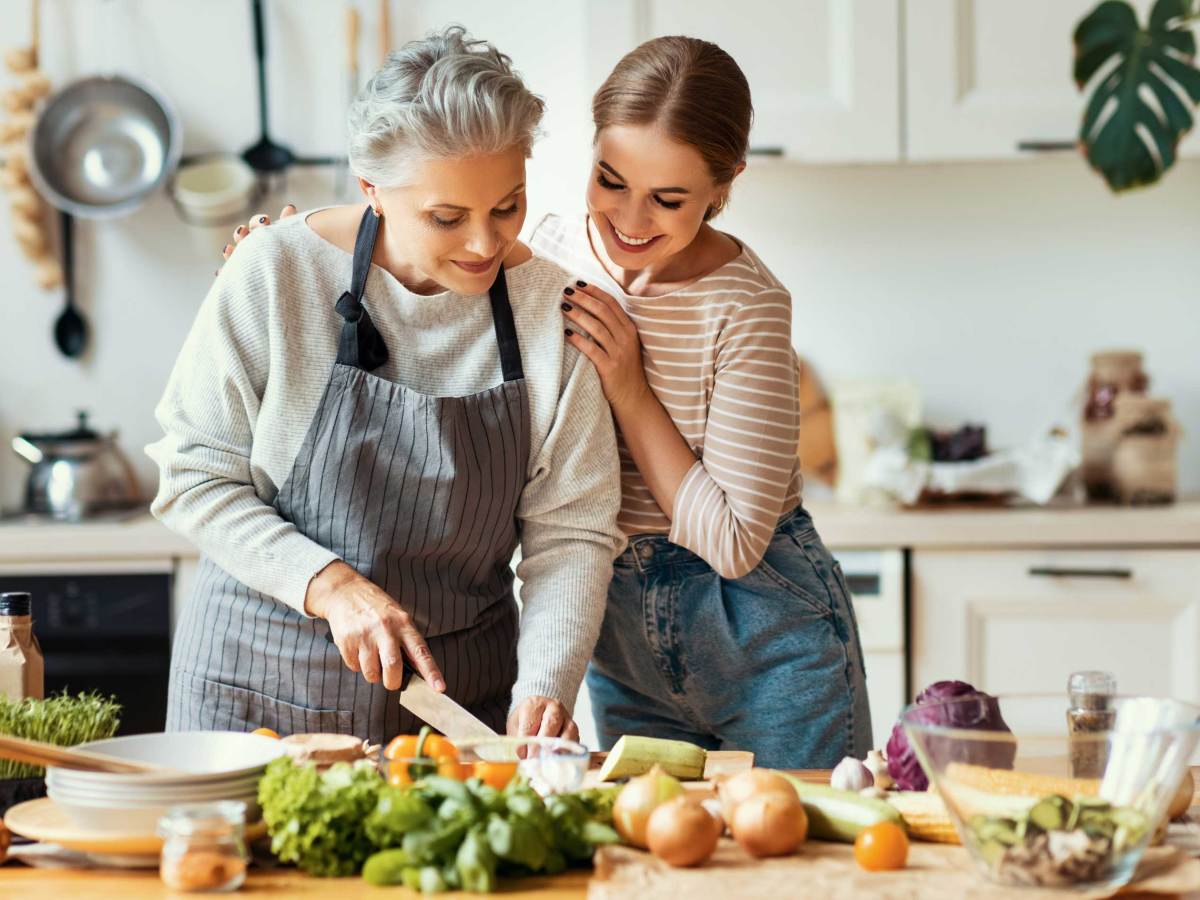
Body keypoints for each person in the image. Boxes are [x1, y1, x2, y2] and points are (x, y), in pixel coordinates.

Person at [226, 35, 871, 768]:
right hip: (618, 624)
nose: (629, 219)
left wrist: (628, 388)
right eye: (610, 179)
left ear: (724, 188)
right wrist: (284, 252)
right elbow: (423, 212)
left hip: (757, 628)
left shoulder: (745, 306)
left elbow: (729, 543)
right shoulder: (556, 252)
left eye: (669, 199)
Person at [148, 27, 623, 744]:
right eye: (447, 217)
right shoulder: (277, 273)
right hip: (258, 693)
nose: (484, 244)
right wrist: (331, 585)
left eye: (507, 205)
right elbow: (192, 477)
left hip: (457, 708)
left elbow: (572, 532)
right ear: (371, 189)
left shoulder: (550, 311)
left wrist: (547, 687)